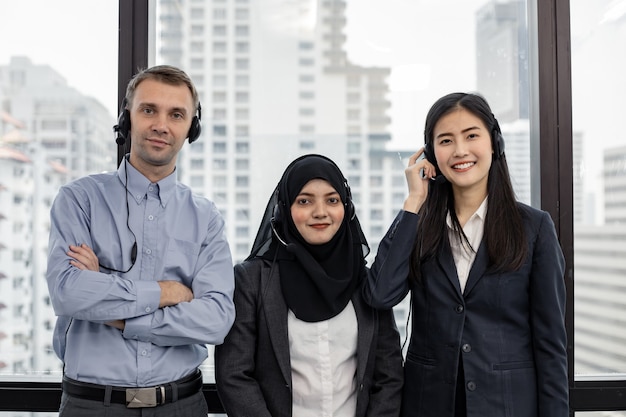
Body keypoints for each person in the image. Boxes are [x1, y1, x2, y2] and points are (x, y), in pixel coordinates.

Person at [363, 92, 569, 417]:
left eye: (471, 135)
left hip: (507, 406)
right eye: (445, 140)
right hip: (428, 405)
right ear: (431, 154)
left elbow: (550, 345)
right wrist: (414, 201)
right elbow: (379, 293)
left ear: (494, 143)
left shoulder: (534, 228)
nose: (460, 151)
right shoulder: (419, 225)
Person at [46, 65, 235, 416]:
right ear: (127, 118)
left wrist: (110, 301)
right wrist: (168, 292)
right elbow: (69, 293)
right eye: (149, 110)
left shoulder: (205, 218)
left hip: (181, 406)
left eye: (176, 114)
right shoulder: (79, 200)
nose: (161, 125)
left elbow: (216, 318)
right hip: (92, 405)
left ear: (190, 127)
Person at [214, 154, 404, 417]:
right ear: (285, 208)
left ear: (346, 207)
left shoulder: (365, 281)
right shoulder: (251, 281)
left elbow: (389, 375)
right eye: (304, 201)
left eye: (332, 200)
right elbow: (234, 374)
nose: (320, 212)